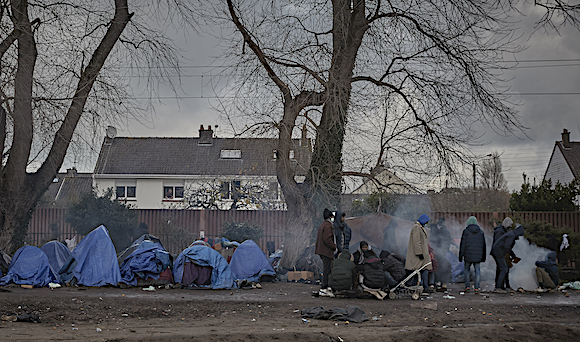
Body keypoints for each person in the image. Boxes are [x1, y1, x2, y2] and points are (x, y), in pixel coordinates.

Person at [491, 224, 524, 293]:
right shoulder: (512, 235)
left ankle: (504, 286)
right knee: (504, 269)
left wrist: (513, 256)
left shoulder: (511, 234)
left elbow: (507, 247)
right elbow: (507, 246)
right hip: (498, 252)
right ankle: (498, 287)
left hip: (498, 251)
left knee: (505, 268)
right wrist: (509, 257)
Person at [459, 216, 486, 293]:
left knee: (467, 270)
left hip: (468, 256)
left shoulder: (466, 232)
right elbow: (483, 246)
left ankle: (467, 286)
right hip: (478, 256)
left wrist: (461, 256)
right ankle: (477, 287)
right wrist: (483, 257)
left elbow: (462, 245)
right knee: (477, 270)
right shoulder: (481, 232)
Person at [405, 214, 432, 292]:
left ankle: (423, 287)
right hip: (418, 256)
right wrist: (419, 253)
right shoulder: (417, 228)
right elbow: (416, 242)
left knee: (423, 270)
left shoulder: (419, 227)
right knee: (422, 271)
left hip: (421, 255)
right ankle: (424, 288)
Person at [492, 217, 517, 291]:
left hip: (501, 253)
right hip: (499, 253)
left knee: (502, 269)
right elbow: (499, 244)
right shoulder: (500, 231)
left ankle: (502, 286)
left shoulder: (501, 230)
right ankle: (499, 286)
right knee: (502, 269)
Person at [315, 208, 337, 289]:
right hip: (326, 251)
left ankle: (325, 285)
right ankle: (325, 286)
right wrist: (334, 246)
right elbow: (327, 239)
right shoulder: (328, 226)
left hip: (322, 250)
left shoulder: (323, 225)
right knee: (327, 269)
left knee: (326, 268)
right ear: (330, 217)